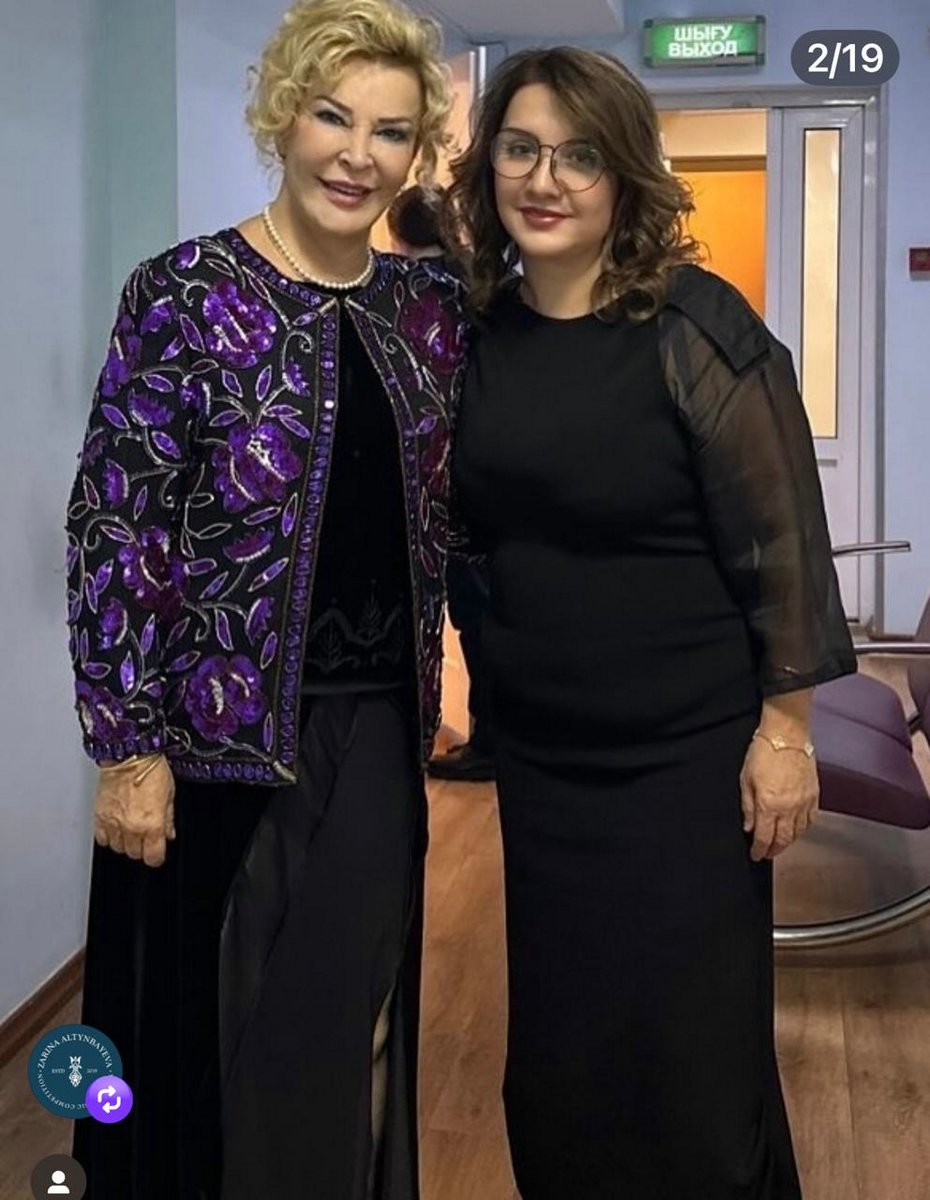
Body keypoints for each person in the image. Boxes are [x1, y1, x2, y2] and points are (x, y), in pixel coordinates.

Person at [65, 3, 466, 1197]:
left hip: (379, 731)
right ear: (283, 115)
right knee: (198, 1031)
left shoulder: (429, 310)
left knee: (342, 1020)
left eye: (390, 132)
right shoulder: (185, 293)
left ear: (416, 153)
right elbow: (115, 524)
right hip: (209, 748)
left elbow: (459, 502)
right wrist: (125, 747)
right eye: (334, 116)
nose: (357, 154)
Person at [446, 47, 856, 1199]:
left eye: (579, 155)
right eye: (521, 149)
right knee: (564, 1059)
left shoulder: (695, 328)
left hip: (687, 764)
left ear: (624, 175)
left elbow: (784, 545)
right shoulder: (479, 330)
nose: (546, 179)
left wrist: (786, 734)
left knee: (691, 1065)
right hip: (545, 764)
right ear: (487, 168)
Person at [386, 185, 496, 781]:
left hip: (437, 485)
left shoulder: (401, 293)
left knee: (468, 617)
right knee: (489, 614)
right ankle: (494, 735)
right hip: (488, 474)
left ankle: (485, 741)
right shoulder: (479, 288)